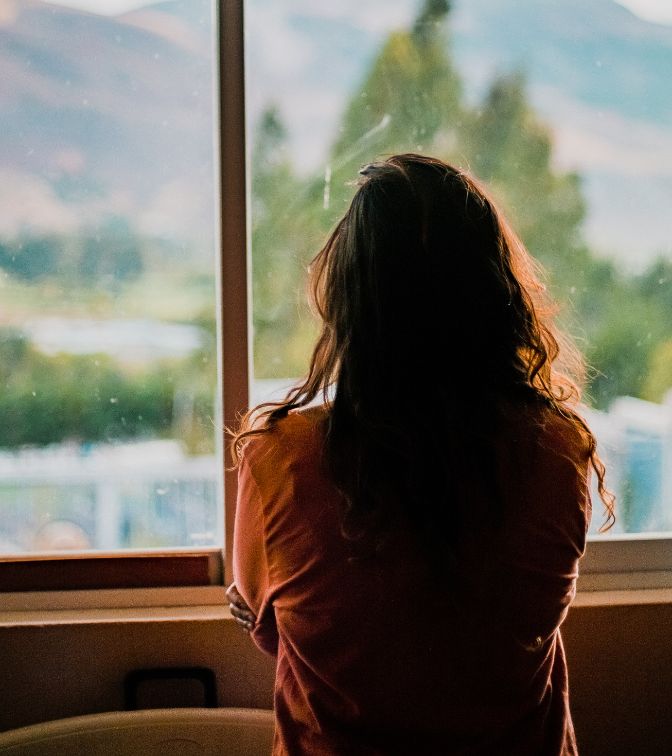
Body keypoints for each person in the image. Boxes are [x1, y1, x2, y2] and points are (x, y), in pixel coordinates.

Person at [226, 153, 614, 755]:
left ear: (351, 301)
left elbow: (271, 629)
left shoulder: (281, 459)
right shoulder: (560, 451)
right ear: (495, 295)